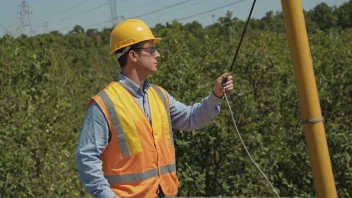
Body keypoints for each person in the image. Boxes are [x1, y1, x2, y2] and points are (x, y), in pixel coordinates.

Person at [75, 19, 233, 198]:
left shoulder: (160, 96)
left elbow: (191, 118)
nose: (157, 55)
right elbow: (86, 158)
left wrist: (216, 95)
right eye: (151, 49)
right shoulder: (104, 103)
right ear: (133, 55)